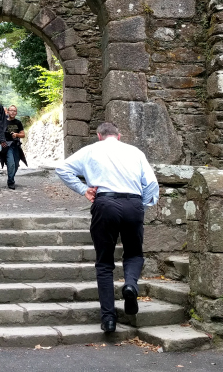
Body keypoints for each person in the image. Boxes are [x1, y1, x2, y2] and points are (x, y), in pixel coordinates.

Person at [55, 122, 159, 334]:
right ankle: (130, 285)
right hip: (133, 203)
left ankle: (109, 319)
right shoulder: (135, 152)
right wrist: (142, 204)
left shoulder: (91, 150)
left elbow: (62, 169)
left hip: (105, 203)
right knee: (134, 254)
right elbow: (151, 184)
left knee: (104, 263)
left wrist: (83, 189)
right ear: (119, 136)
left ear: (99, 136)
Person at [3, 105, 25, 190]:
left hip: (16, 145)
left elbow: (23, 134)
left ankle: (11, 177)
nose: (12, 112)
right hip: (7, 146)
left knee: (16, 164)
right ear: (8, 112)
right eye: (11, 110)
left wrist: (17, 135)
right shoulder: (3, 122)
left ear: (16, 113)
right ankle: (11, 182)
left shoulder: (18, 123)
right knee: (11, 163)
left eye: (14, 111)